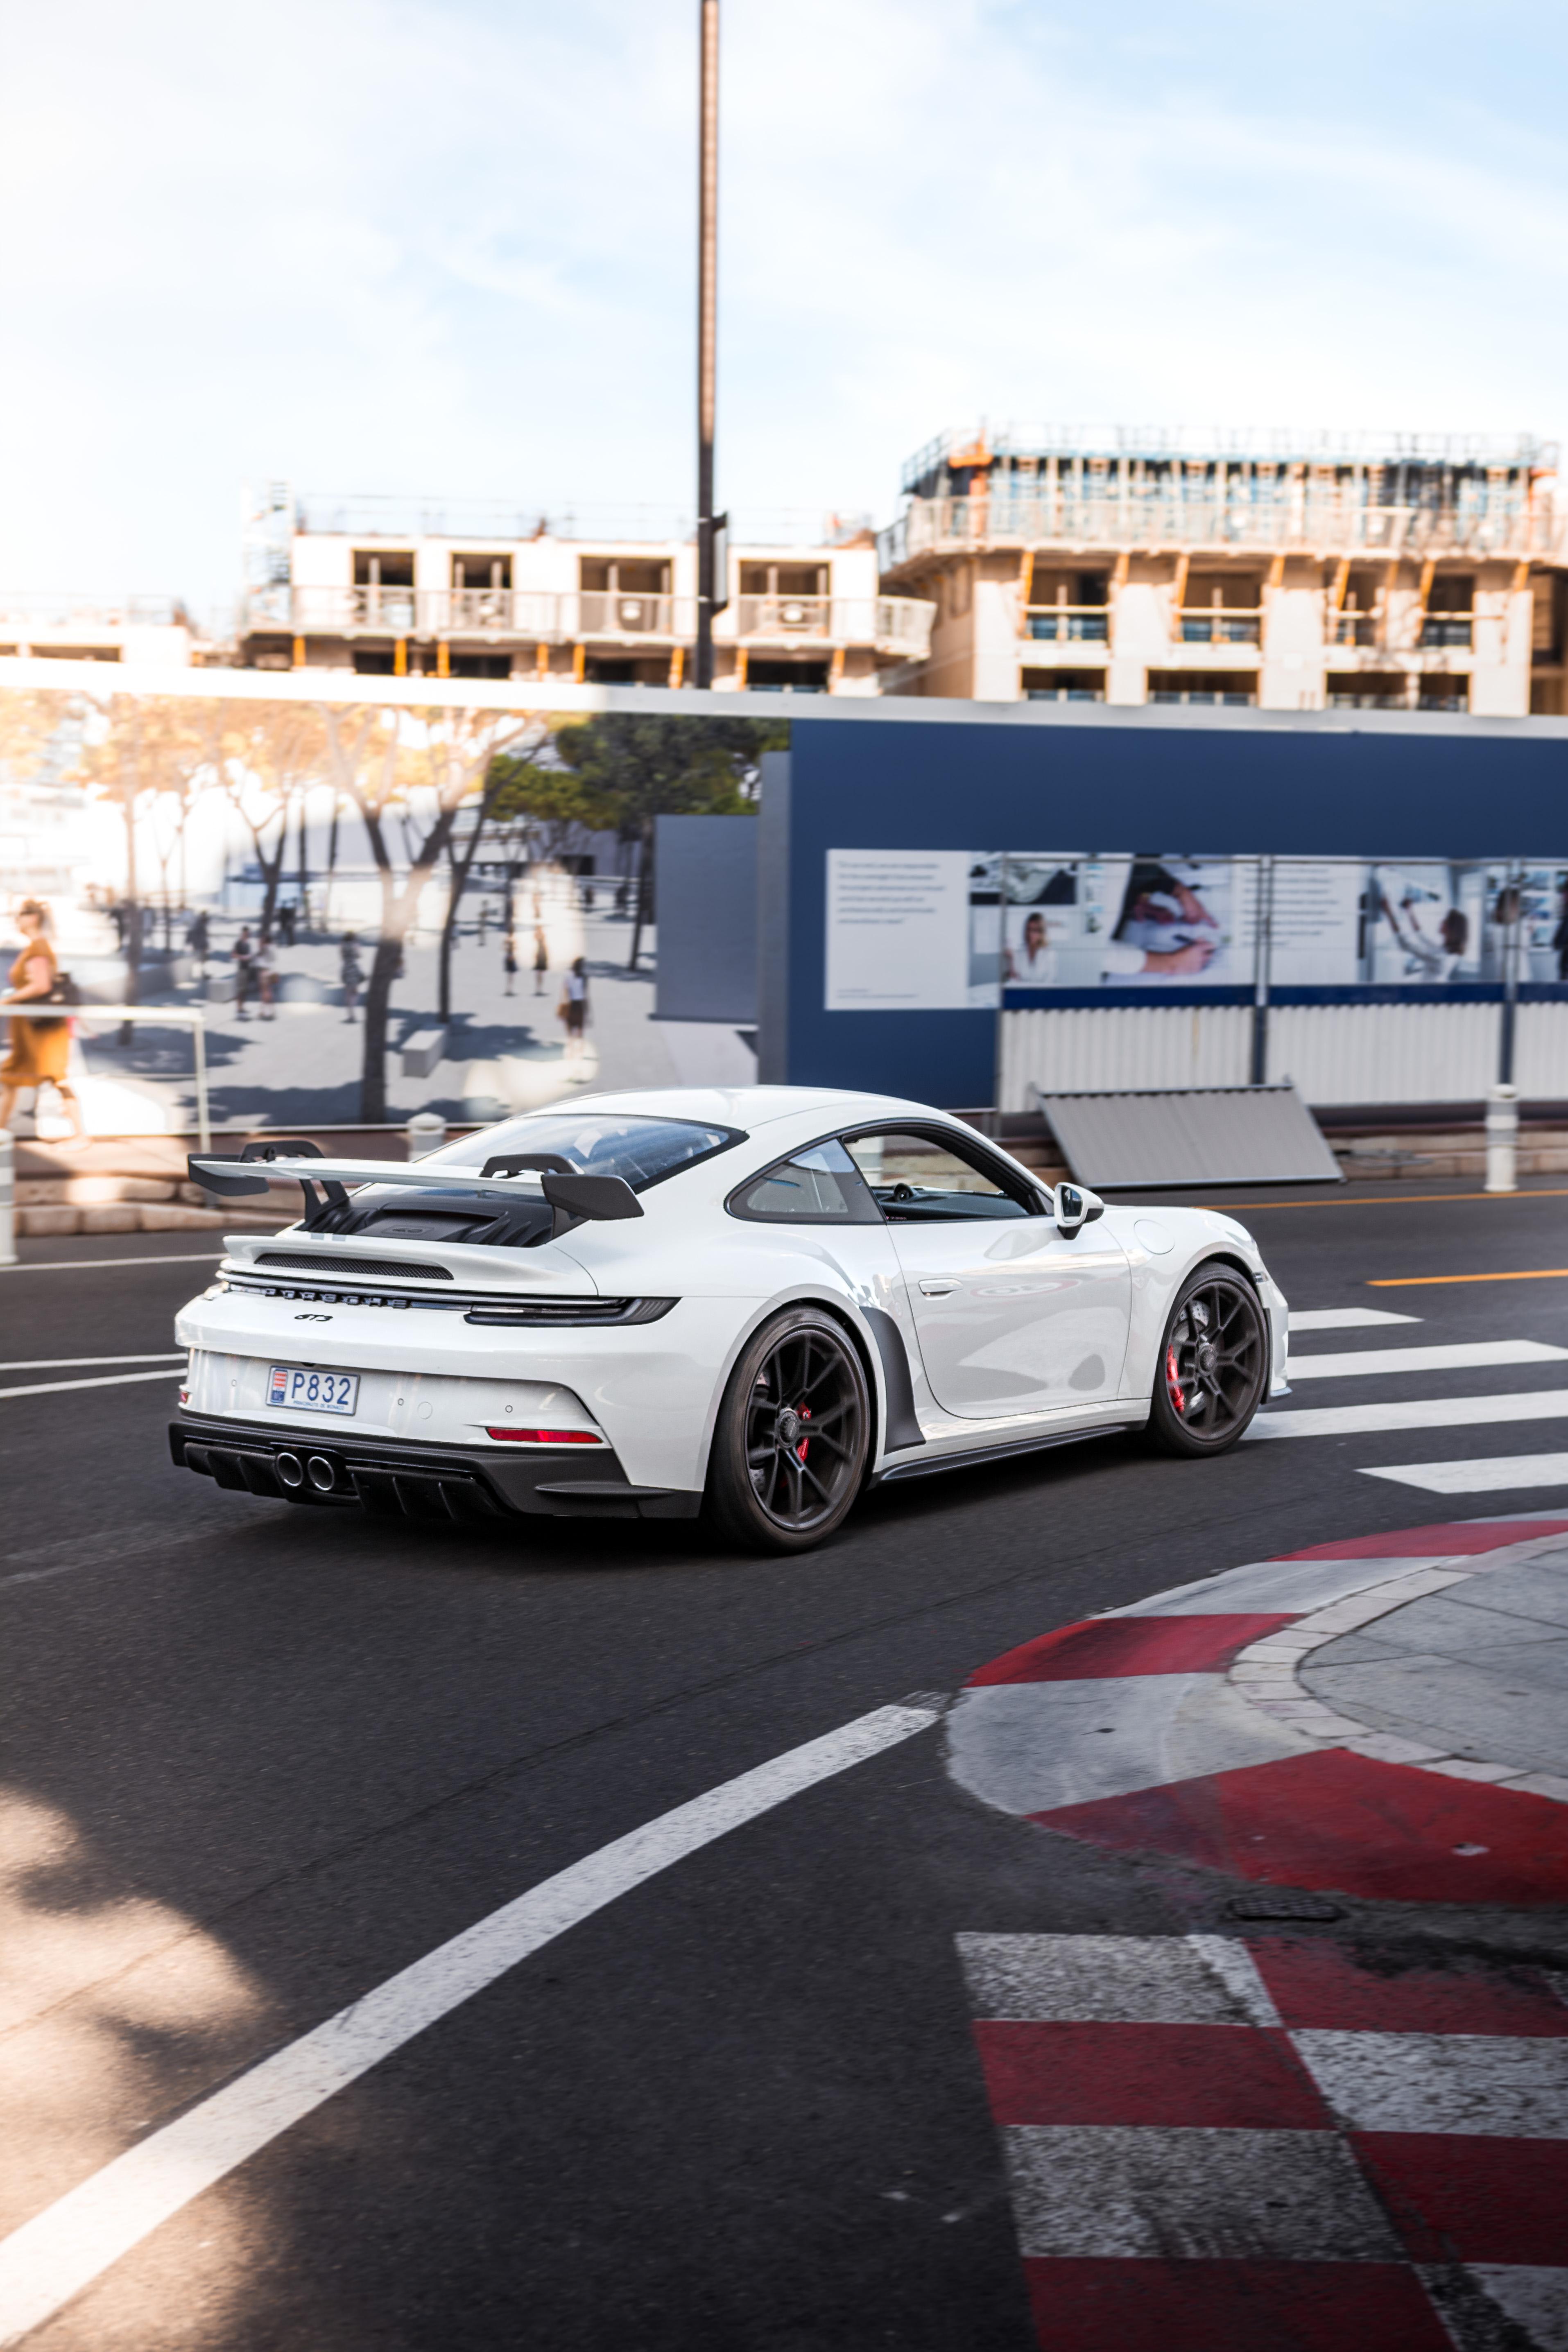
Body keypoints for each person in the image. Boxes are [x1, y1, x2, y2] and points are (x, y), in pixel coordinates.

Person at [0, 899, 84, 1138]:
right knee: (11, 1079)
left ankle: (81, 1136)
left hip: (42, 1033)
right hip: (32, 1030)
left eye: (20, 915)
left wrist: (7, 1001)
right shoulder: (36, 948)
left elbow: (41, 985)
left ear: (33, 918)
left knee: (58, 1079)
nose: (16, 920)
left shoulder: (38, 948)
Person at [560, 955, 588, 1063]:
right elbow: (586, 995)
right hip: (578, 1005)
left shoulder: (569, 977)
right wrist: (588, 1011)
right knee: (579, 1031)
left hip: (571, 1004)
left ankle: (572, 1052)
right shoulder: (584, 977)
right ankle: (579, 1052)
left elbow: (565, 993)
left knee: (571, 1031)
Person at [233, 925, 256, 1020]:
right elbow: (234, 955)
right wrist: (243, 958)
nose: (248, 935)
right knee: (240, 990)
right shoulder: (239, 943)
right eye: (246, 934)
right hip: (241, 969)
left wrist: (250, 958)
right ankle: (239, 1009)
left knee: (245, 990)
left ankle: (242, 1007)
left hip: (247, 969)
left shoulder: (248, 944)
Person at [339, 932, 363, 1024]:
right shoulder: (355, 944)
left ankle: (351, 1015)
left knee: (348, 993)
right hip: (354, 968)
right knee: (354, 992)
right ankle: (352, 1015)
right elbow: (359, 956)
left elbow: (342, 956)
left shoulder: (342, 945)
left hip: (346, 968)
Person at [254, 932, 276, 1021]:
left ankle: (266, 1011)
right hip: (269, 971)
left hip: (264, 972)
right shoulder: (271, 948)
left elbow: (259, 961)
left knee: (265, 993)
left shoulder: (265, 949)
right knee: (268, 992)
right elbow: (273, 959)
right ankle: (267, 1011)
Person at [187, 909, 210, 978]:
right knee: (197, 960)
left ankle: (202, 973)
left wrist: (206, 945)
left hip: (201, 946)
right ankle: (193, 974)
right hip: (198, 946)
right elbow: (196, 935)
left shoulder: (201, 924)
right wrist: (196, 945)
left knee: (202, 960)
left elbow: (204, 937)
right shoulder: (198, 924)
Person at [532, 922, 548, 996]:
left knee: (541, 973)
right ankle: (538, 989)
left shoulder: (541, 935)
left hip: (542, 953)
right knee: (539, 973)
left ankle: (540, 989)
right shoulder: (539, 935)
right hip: (540, 953)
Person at [503, 929, 518, 998]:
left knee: (510, 975)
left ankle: (509, 990)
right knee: (510, 975)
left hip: (510, 956)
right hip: (510, 957)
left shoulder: (508, 940)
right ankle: (509, 990)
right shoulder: (510, 940)